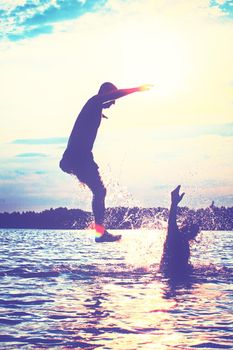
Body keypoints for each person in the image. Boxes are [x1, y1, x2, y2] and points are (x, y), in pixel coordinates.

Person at [60, 82, 151, 242]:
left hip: (79, 158)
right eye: (112, 98)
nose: (114, 102)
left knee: (99, 191)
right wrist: (137, 89)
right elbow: (111, 96)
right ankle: (100, 232)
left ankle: (99, 229)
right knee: (100, 192)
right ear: (105, 93)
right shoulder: (95, 101)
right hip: (78, 157)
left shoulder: (94, 108)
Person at [160, 185, 200, 276]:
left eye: (195, 233)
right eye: (193, 232)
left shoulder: (184, 239)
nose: (194, 235)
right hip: (169, 275)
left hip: (180, 274)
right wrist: (174, 204)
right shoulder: (174, 236)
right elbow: (171, 221)